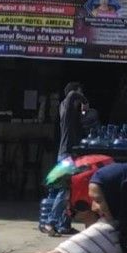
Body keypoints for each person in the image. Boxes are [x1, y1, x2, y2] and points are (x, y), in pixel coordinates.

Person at [45, 82, 87, 236]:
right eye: (80, 92)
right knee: (65, 191)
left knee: (70, 191)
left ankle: (64, 225)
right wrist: (85, 101)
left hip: (69, 154)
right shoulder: (67, 106)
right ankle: (50, 223)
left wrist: (83, 111)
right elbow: (72, 95)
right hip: (66, 155)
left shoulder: (71, 112)